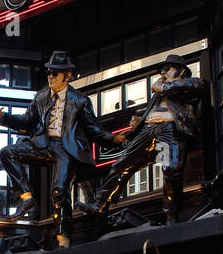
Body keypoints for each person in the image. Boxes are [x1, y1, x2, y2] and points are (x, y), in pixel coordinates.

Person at [0, 50, 123, 247]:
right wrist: (2, 117)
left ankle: (63, 238)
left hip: (66, 148)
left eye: (55, 73)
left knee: (59, 191)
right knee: (7, 152)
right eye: (49, 72)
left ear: (67, 75)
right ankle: (26, 197)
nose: (50, 76)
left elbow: (93, 130)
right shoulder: (41, 96)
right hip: (43, 145)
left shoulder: (80, 101)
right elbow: (28, 122)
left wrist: (114, 139)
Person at [80, 53, 205, 225]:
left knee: (171, 170)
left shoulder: (189, 84)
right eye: (162, 69)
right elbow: (150, 112)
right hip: (149, 130)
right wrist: (138, 123)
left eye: (167, 69)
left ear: (182, 70)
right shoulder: (158, 94)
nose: (163, 72)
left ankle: (171, 216)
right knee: (122, 164)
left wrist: (163, 86)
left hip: (169, 129)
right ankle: (101, 204)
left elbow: (195, 85)